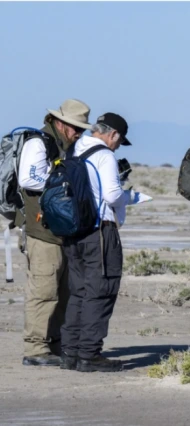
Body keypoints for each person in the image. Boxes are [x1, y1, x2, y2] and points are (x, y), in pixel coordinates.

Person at [17, 99, 92, 366]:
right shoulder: (39, 143)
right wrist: (63, 181)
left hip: (64, 231)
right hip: (42, 232)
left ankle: (56, 343)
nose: (79, 133)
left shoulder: (68, 147)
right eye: (75, 128)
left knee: (65, 290)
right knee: (44, 290)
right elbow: (28, 179)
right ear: (60, 123)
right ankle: (36, 349)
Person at [59, 113, 135, 373]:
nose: (117, 145)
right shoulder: (104, 155)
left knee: (78, 291)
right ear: (113, 134)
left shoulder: (73, 149)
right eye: (119, 140)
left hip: (73, 230)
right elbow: (112, 195)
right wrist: (131, 197)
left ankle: (70, 353)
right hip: (99, 230)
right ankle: (89, 355)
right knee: (100, 290)